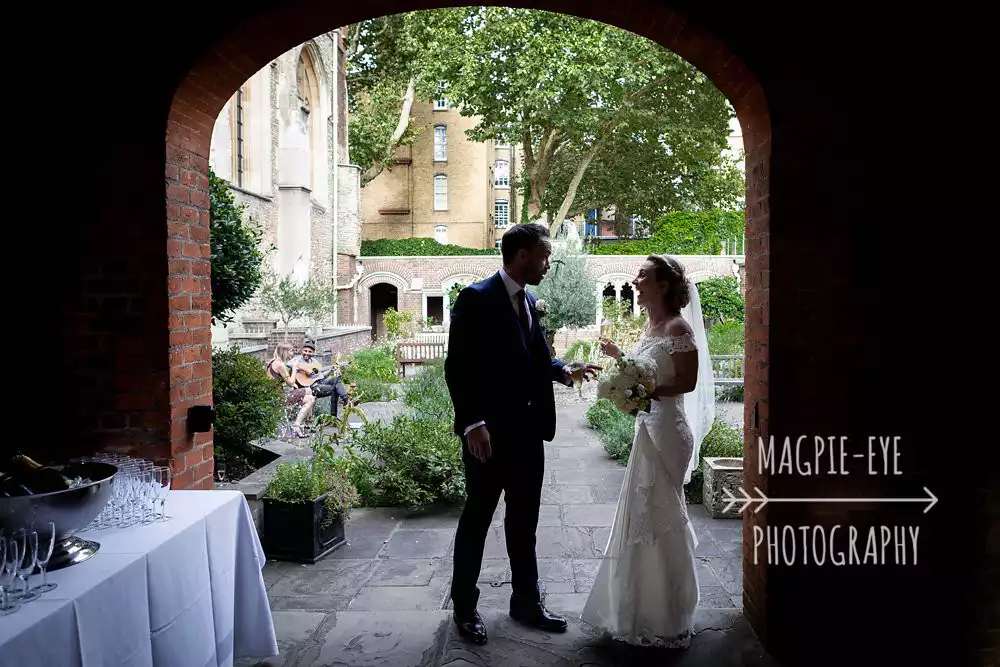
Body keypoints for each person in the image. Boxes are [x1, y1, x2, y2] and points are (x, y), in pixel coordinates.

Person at [445, 222, 601, 646]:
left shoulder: (529, 300)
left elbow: (537, 358)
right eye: (545, 256)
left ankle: (526, 603)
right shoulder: (476, 299)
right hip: (488, 437)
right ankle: (464, 606)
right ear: (521, 255)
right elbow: (458, 368)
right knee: (476, 520)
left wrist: (564, 370)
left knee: (524, 523)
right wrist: (472, 424)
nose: (549, 263)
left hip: (529, 435)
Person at [580, 254, 715, 649]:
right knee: (641, 514)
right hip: (647, 426)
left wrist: (642, 389)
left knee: (662, 514)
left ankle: (669, 613)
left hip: (670, 431)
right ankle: (637, 607)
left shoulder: (678, 327)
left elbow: (686, 384)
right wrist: (620, 362)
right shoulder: (651, 325)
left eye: (642, 276)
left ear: (662, 286)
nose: (635, 280)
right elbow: (646, 371)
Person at [267, 342, 316, 438]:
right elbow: (290, 382)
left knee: (309, 394)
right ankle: (301, 424)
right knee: (310, 396)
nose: (293, 353)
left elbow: (278, 381)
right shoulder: (280, 364)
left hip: (275, 395)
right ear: (284, 352)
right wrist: (294, 368)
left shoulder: (273, 362)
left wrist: (291, 384)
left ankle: (305, 423)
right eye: (291, 351)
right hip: (278, 398)